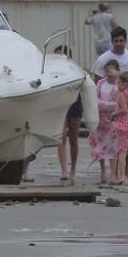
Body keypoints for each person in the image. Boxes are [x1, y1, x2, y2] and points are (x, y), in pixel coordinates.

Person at [90, 59, 121, 185]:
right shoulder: (100, 83)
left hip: (113, 121)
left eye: (112, 69)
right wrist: (105, 105)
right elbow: (94, 100)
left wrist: (104, 105)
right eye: (107, 69)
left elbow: (119, 104)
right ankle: (103, 171)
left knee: (113, 147)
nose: (109, 72)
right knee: (99, 144)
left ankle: (114, 173)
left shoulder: (119, 85)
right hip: (100, 121)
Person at [54, 46, 82, 183]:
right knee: (61, 137)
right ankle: (64, 170)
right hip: (60, 104)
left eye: (61, 56)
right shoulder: (51, 71)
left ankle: (73, 169)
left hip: (75, 103)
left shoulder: (76, 69)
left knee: (74, 139)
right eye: (56, 56)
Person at [91, 26, 128, 96]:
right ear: (112, 42)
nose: (118, 43)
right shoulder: (103, 59)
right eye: (116, 41)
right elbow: (97, 84)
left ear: (125, 41)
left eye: (121, 41)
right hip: (109, 102)